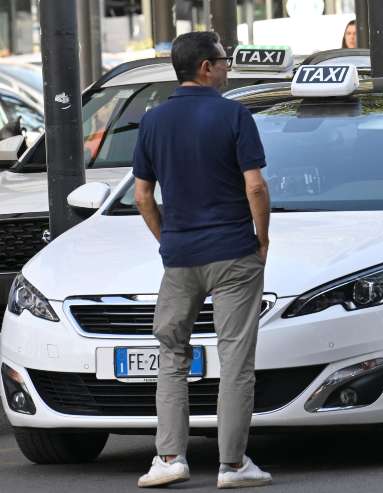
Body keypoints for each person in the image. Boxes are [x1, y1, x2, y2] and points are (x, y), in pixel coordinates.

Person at [133, 31, 272, 489]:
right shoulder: (234, 114)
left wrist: (165, 238)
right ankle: (232, 466)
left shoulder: (152, 122)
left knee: (171, 353)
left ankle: (170, 456)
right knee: (235, 359)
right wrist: (262, 239)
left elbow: (142, 195)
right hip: (233, 252)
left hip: (180, 256)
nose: (228, 66)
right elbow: (255, 186)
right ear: (205, 67)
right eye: (223, 60)